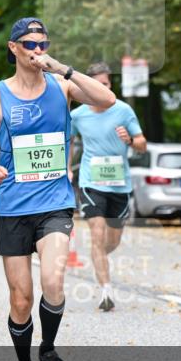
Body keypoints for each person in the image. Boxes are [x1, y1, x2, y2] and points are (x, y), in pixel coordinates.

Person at [0, 17, 115, 361]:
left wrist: (64, 68)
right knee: (20, 300)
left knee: (54, 282)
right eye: (29, 44)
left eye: (42, 43)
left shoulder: (62, 87)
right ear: (13, 48)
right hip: (13, 207)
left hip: (55, 204)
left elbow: (107, 100)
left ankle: (48, 351)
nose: (37, 50)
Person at [70, 62, 147, 312]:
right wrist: (67, 165)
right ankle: (106, 291)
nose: (103, 89)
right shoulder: (78, 115)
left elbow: (142, 143)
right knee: (97, 234)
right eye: (98, 85)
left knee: (111, 241)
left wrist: (131, 140)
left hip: (119, 184)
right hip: (91, 182)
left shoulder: (123, 110)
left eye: (107, 84)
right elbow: (66, 139)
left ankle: (98, 255)